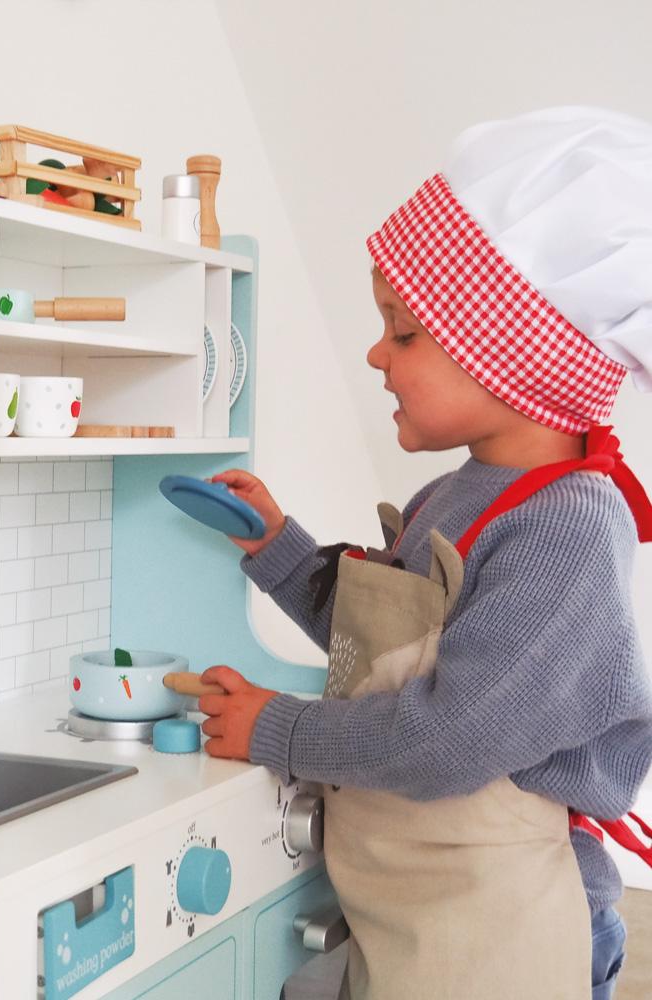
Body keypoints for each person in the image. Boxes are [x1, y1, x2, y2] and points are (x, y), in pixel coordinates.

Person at [197, 107, 652, 1000]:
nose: (375, 352)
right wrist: (280, 549)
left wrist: (277, 731)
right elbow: (391, 658)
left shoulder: (567, 527)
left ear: (513, 361)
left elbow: (450, 735)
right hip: (426, 906)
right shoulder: (450, 495)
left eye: (403, 333)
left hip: (508, 916)